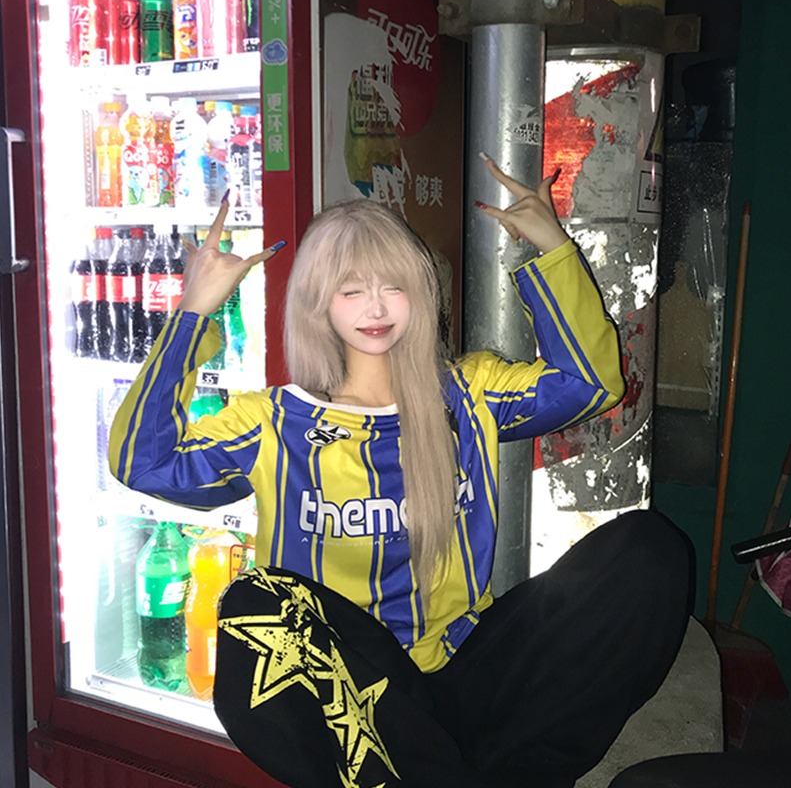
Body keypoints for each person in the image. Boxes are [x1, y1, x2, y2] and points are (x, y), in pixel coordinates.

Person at [109, 160, 691, 788]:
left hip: (467, 662)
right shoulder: (273, 423)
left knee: (648, 550)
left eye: (393, 286)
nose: (376, 307)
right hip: (353, 700)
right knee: (256, 605)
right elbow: (144, 463)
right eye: (351, 290)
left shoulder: (468, 393)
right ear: (318, 303)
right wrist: (193, 311)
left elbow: (590, 385)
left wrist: (552, 247)